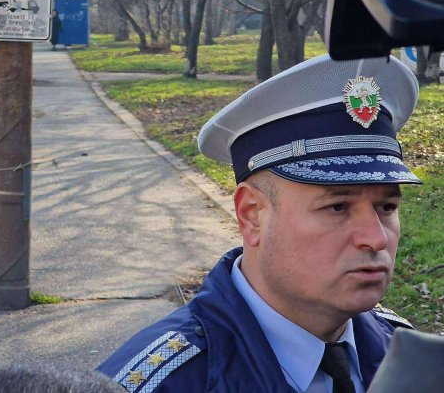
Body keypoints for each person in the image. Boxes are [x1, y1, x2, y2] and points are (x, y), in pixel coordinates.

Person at [98, 54, 419, 392]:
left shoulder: (409, 355)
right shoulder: (162, 384)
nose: (376, 238)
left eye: (386, 206)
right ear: (251, 214)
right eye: (337, 207)